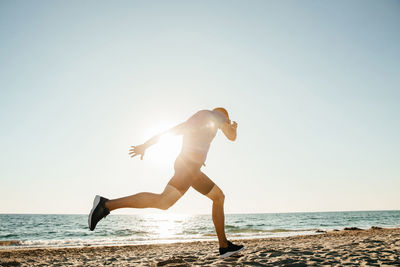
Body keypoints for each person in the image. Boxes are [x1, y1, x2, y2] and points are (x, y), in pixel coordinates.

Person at [88, 107, 244, 258]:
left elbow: (170, 132)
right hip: (189, 167)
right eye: (226, 120)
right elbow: (231, 136)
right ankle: (106, 205)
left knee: (218, 197)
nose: (223, 125)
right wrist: (233, 127)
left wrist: (145, 145)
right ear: (223, 116)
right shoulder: (216, 115)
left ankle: (224, 246)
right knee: (163, 201)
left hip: (189, 167)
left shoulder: (197, 119)